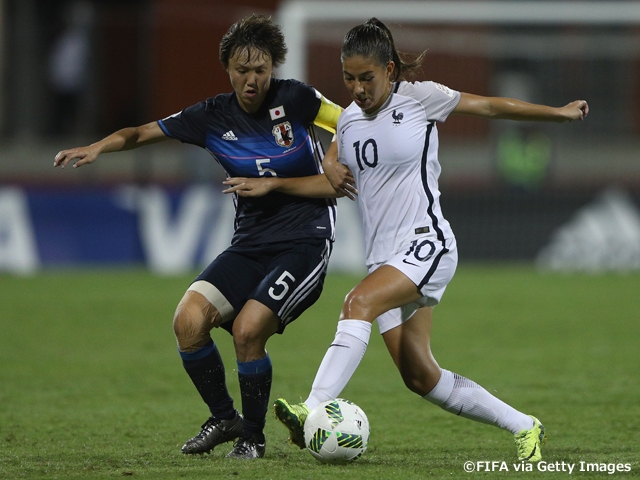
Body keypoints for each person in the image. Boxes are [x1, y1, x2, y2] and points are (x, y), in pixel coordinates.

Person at [222, 18, 589, 462]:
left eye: (367, 78)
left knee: (356, 304)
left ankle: (311, 406)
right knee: (420, 377)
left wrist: (558, 113)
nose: (357, 89)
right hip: (385, 262)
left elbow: (490, 107)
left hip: (425, 243)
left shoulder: (421, 99)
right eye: (349, 78)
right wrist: (276, 184)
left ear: (390, 70)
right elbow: (334, 183)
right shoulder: (349, 125)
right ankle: (524, 425)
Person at [53, 14, 344, 460]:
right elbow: (140, 133)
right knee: (188, 322)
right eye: (242, 70)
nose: (252, 80)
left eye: (261, 70)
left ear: (274, 69)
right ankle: (224, 418)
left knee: (248, 331)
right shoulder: (210, 116)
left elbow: (351, 121)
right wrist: (98, 146)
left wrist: (334, 156)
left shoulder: (298, 99)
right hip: (249, 243)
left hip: (305, 240)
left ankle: (253, 437)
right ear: (227, 68)